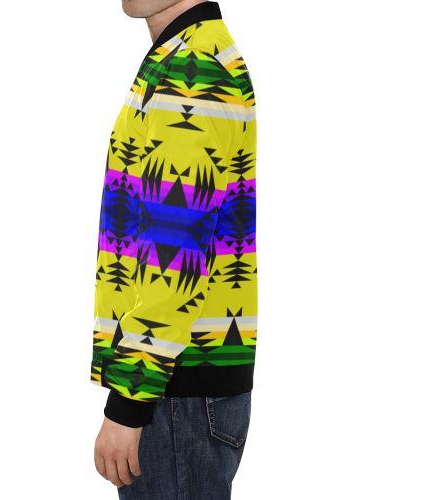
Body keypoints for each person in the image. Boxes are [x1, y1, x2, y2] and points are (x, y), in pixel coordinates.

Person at [91, 1, 257, 498]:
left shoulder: (193, 69)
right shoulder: (180, 55)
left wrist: (131, 401)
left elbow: (176, 249)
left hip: (174, 386)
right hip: (177, 380)